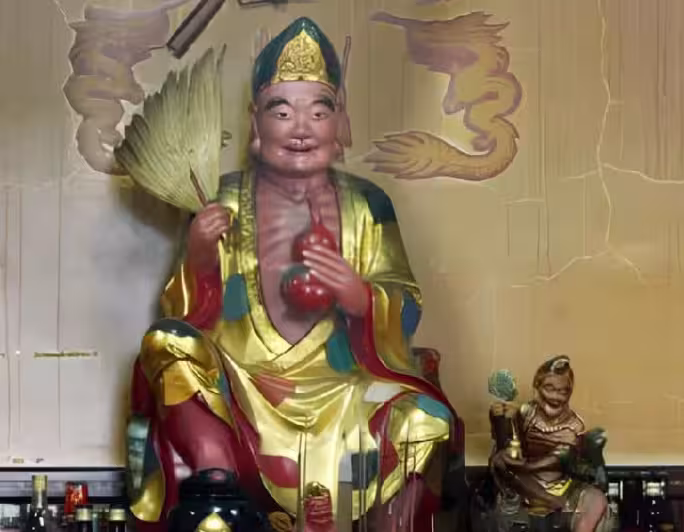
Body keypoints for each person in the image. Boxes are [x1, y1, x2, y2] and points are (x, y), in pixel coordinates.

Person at [126, 17, 458, 531]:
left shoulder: (368, 204)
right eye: (282, 111)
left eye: (318, 111)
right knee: (164, 343)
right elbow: (181, 313)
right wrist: (199, 255)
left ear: (340, 121)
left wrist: (359, 296)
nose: (301, 128)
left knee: (425, 421)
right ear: (255, 124)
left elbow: (408, 305)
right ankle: (218, 485)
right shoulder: (222, 199)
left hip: (343, 389)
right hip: (242, 387)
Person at [490, 356, 608, 532]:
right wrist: (499, 418)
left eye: (563, 391)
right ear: (537, 388)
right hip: (526, 481)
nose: (555, 397)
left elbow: (562, 458)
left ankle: (556, 504)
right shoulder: (526, 414)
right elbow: (508, 443)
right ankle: (545, 500)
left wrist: (527, 466)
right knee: (500, 461)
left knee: (596, 499)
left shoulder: (574, 425)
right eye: (549, 389)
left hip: (562, 484)